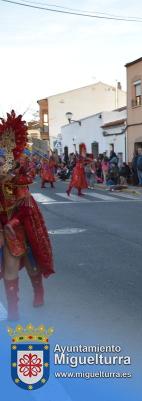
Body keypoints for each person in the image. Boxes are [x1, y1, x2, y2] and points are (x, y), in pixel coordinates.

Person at [0, 111, 54, 321]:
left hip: (20, 224)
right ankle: (13, 310)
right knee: (9, 266)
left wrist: (12, 223)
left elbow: (23, 206)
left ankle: (38, 291)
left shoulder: (18, 175)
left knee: (31, 263)